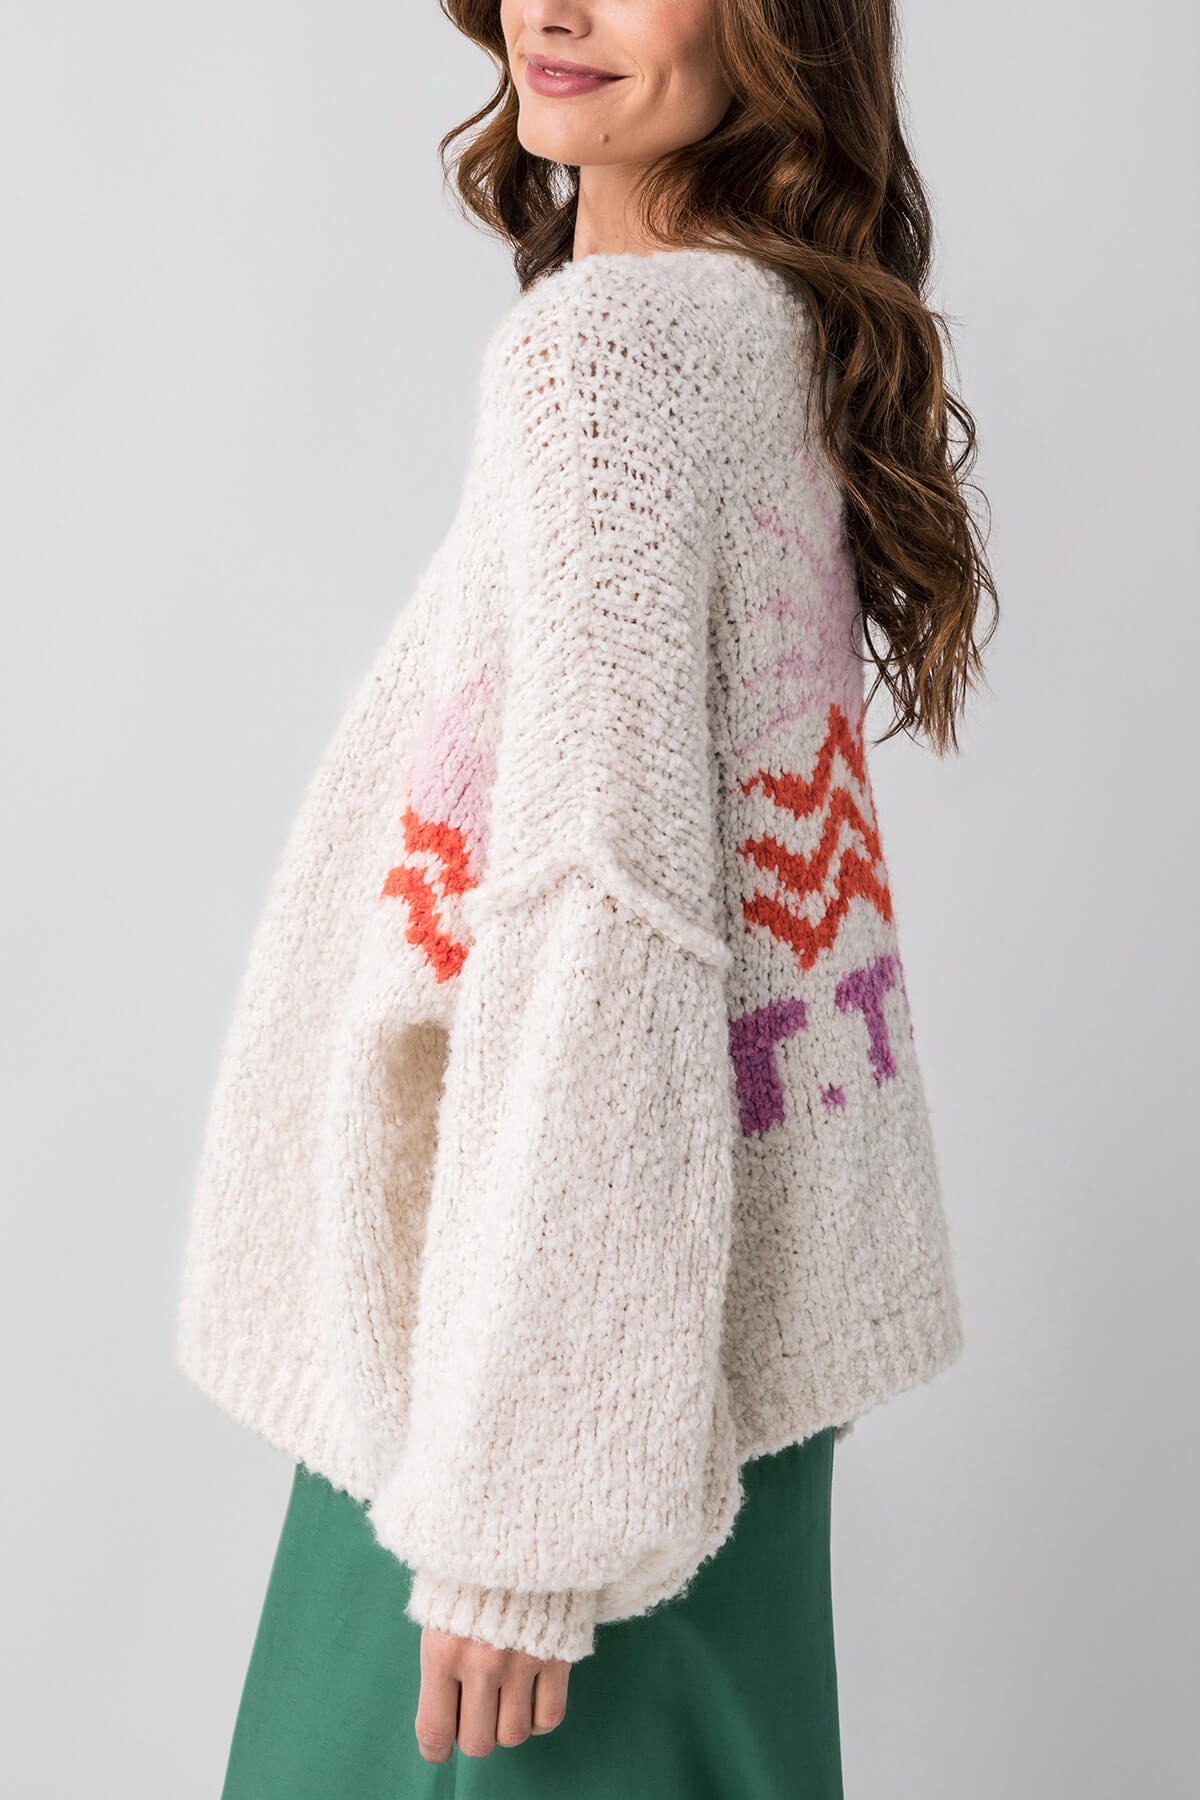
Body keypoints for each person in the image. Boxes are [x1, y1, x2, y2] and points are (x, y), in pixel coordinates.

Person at [175, 1, 997, 1791]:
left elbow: (596, 935)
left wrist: (518, 1533)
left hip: (544, 1398)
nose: (555, 9)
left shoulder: (612, 363)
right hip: (705, 1373)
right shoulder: (770, 329)